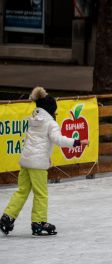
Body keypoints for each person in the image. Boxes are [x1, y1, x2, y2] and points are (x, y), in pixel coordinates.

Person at [0, 87, 89, 236]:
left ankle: (7, 217)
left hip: (26, 161)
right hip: (38, 164)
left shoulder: (34, 119)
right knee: (41, 194)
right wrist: (78, 142)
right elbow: (58, 140)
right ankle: (39, 222)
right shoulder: (50, 123)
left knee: (22, 191)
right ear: (51, 110)